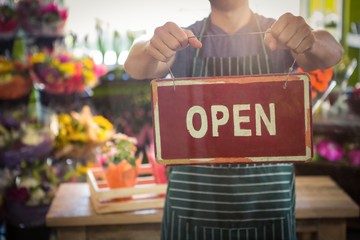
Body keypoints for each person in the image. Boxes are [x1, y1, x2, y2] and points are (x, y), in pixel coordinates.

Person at [124, 1, 343, 239]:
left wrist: (309, 38)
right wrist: (151, 47)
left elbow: (332, 51)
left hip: (268, 212)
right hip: (191, 213)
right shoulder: (183, 41)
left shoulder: (280, 33)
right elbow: (135, 64)